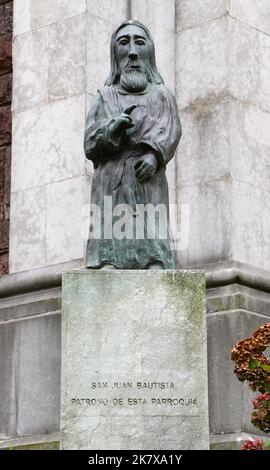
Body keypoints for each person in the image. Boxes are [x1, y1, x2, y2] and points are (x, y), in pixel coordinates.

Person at [84, 20, 181, 269]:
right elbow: (89, 142)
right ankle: (106, 261)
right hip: (111, 179)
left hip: (147, 177)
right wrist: (112, 128)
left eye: (140, 42)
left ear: (150, 51)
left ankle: (156, 260)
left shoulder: (162, 95)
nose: (133, 52)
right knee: (109, 225)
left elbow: (171, 130)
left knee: (152, 223)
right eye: (124, 43)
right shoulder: (104, 97)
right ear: (115, 54)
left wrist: (154, 155)